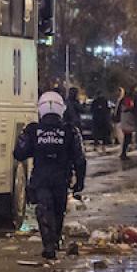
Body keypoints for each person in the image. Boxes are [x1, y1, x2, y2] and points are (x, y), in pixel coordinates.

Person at [13, 92, 86, 261]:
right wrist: (79, 183)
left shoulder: (33, 131)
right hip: (61, 180)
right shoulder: (70, 131)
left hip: (41, 179)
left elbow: (19, 153)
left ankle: (49, 245)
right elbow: (80, 159)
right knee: (58, 211)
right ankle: (54, 241)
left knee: (44, 210)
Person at [118, 90, 137, 160]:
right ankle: (123, 153)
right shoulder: (127, 100)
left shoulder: (124, 100)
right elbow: (130, 108)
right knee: (127, 138)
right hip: (127, 121)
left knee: (127, 138)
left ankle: (124, 153)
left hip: (126, 121)